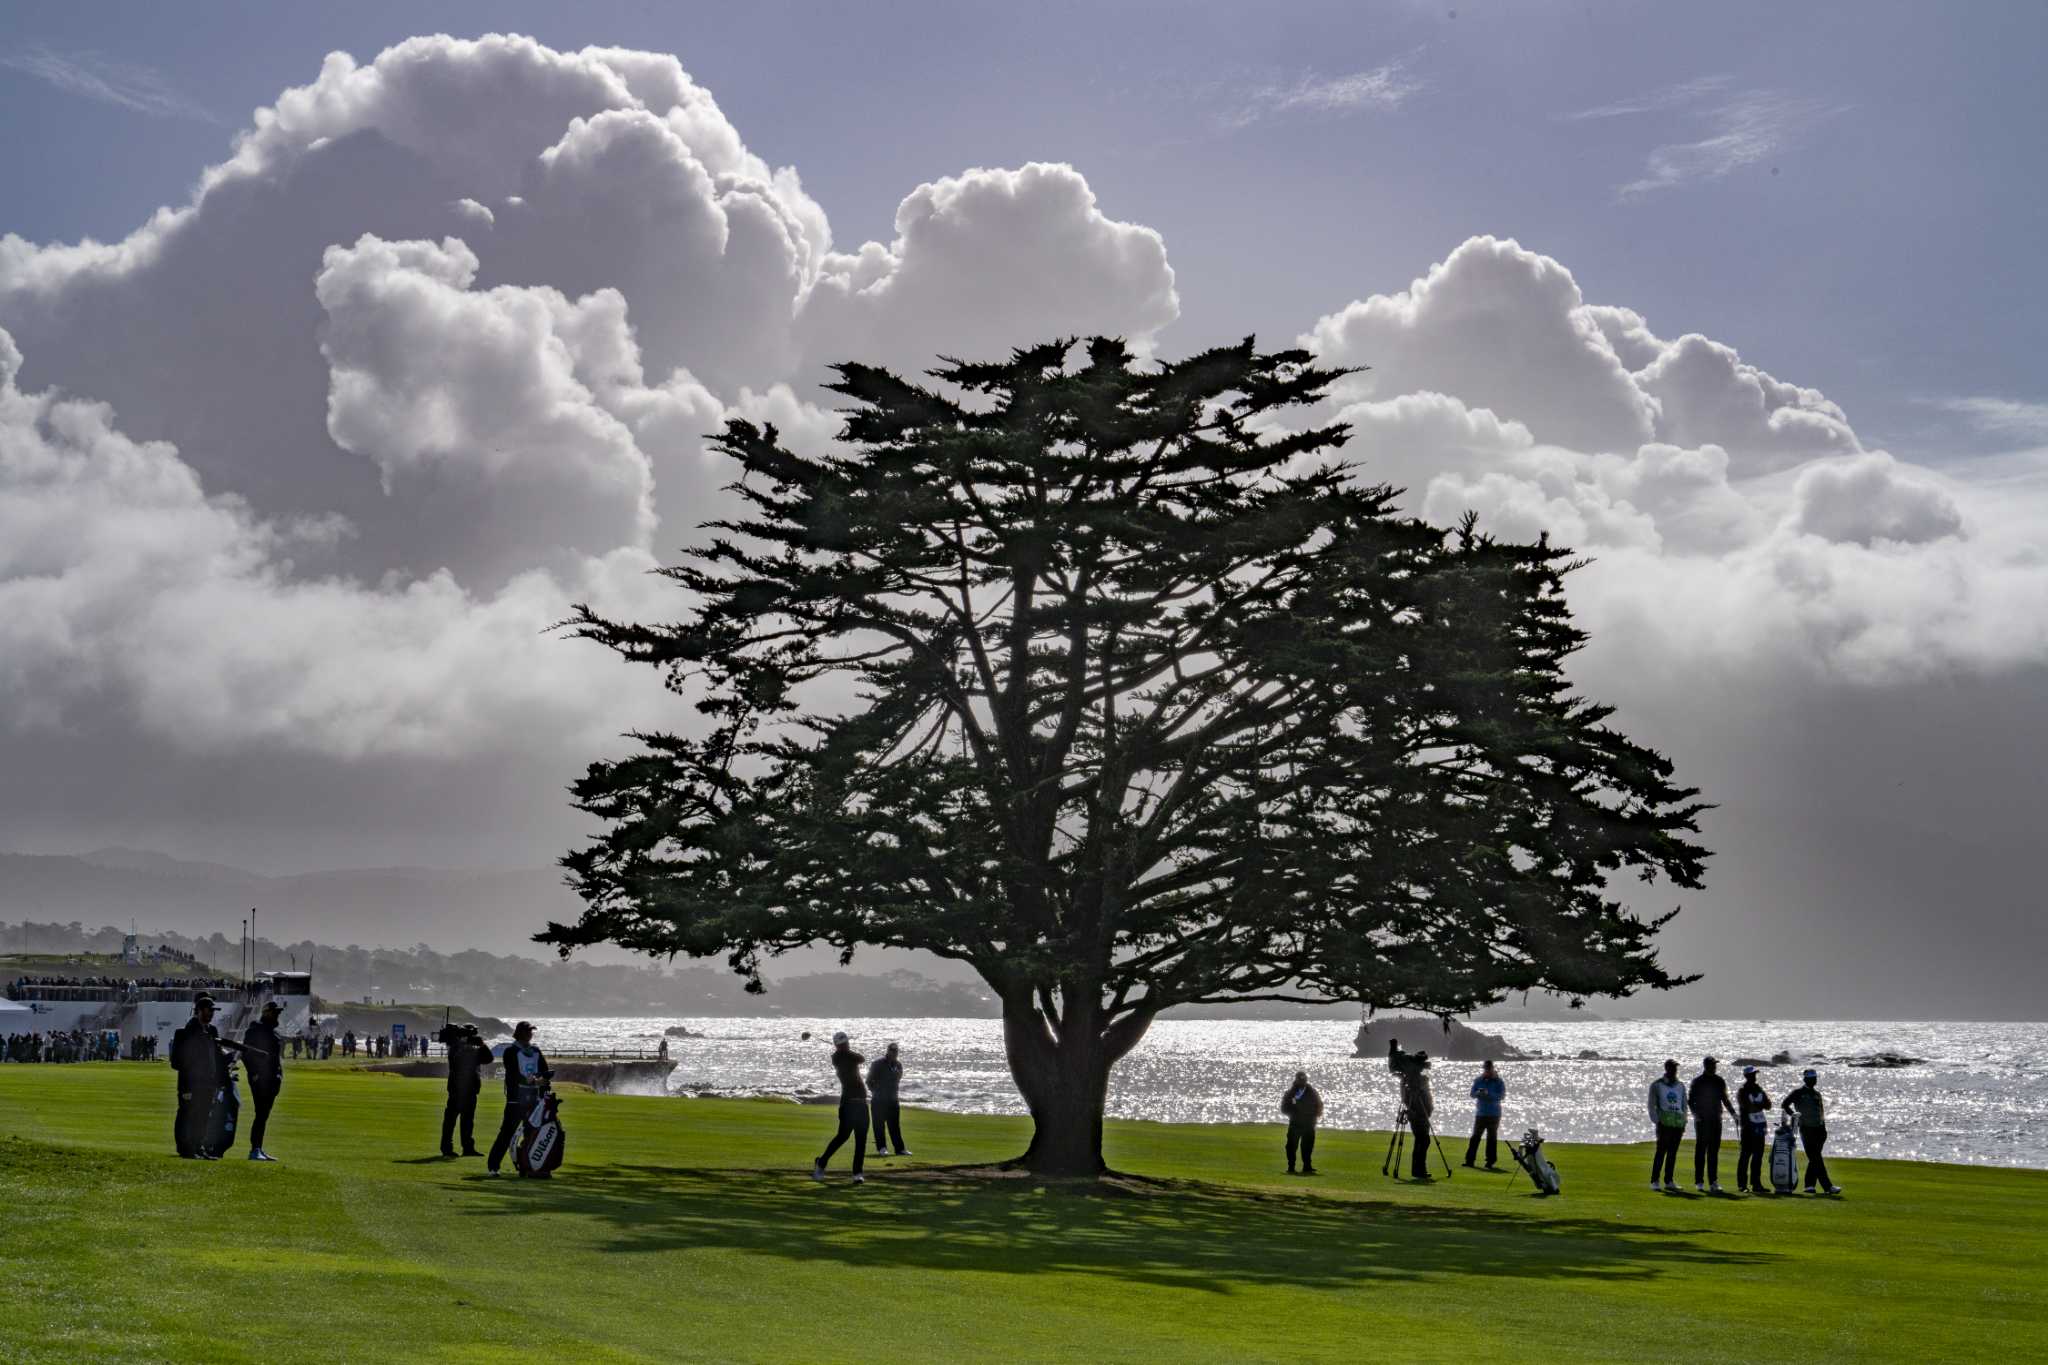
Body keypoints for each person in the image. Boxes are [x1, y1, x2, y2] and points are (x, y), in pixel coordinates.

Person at [486, 1022, 552, 1176]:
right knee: (507, 1134)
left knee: (532, 1134)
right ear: (519, 1033)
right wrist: (534, 1081)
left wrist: (544, 1081)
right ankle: (493, 1167)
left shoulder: (535, 1051)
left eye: (531, 1031)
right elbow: (514, 1074)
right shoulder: (511, 1051)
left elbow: (544, 1070)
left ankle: (527, 1167)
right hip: (516, 1100)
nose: (530, 1034)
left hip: (534, 1099)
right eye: (528, 1031)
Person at [810, 1031, 869, 1184]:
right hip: (848, 1104)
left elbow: (861, 1059)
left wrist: (844, 1049)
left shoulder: (846, 1055)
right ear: (838, 1045)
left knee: (861, 1140)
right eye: (843, 1044)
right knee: (842, 1137)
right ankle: (821, 1163)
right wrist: (843, 1050)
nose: (846, 1045)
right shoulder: (837, 1058)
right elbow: (859, 1058)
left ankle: (857, 1173)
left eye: (847, 1043)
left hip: (862, 1103)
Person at [169, 995, 222, 1159]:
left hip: (208, 1084)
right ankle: (185, 1148)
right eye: (208, 1010)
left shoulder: (212, 1032)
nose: (211, 1014)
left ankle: (198, 1146)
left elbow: (216, 1057)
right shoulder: (184, 1033)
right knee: (187, 1115)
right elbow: (177, 1062)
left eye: (213, 1011)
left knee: (203, 1116)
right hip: (190, 1084)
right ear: (198, 1011)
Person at [1782, 1068, 1843, 1195]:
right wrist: (1794, 1115)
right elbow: (1785, 1104)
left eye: (1814, 1078)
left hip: (1819, 1130)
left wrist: (1824, 1128)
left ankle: (1809, 1185)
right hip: (1806, 1129)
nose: (1813, 1080)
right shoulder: (1798, 1092)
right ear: (1805, 1079)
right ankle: (1828, 1187)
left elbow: (1821, 1112)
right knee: (1816, 1158)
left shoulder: (1817, 1094)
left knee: (1815, 1158)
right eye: (1810, 1078)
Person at [241, 999, 284, 1162]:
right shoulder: (255, 1031)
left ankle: (258, 1148)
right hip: (261, 1080)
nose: (277, 1016)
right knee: (261, 1114)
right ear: (267, 1013)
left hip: (272, 1080)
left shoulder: (273, 1033)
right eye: (275, 1013)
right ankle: (255, 1149)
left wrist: (279, 1076)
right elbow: (247, 1054)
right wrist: (254, 1074)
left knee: (263, 1115)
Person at [1688, 1055, 1737, 1192]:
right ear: (1706, 1066)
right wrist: (1696, 1115)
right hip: (1702, 1120)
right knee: (1701, 1150)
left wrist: (1733, 1114)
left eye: (1715, 1065)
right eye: (1712, 1065)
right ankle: (1699, 1181)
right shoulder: (1698, 1082)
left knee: (1714, 1152)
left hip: (1716, 1119)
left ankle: (1713, 1182)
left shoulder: (1719, 1081)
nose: (1715, 1067)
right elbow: (1691, 1101)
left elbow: (1725, 1099)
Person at [1389, 1040, 1436, 1179]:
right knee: (1423, 1140)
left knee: (1422, 1140)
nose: (1422, 1069)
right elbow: (1409, 1099)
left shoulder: (1414, 1080)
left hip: (1421, 1113)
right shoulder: (1410, 1082)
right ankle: (1418, 1170)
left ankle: (1418, 1169)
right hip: (1417, 1113)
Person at [442, 1025, 489, 1158]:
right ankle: (447, 1148)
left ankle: (467, 1148)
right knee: (451, 1120)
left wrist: (482, 1045)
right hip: (458, 1090)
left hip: (469, 1089)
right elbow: (458, 1061)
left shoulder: (467, 1048)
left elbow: (488, 1058)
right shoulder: (457, 1048)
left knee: (467, 1121)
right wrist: (473, 1046)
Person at [1648, 1059, 1687, 1190]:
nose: (1675, 1070)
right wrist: (1657, 1121)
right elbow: (1651, 1105)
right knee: (1661, 1152)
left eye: (1675, 1068)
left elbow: (1683, 1105)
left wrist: (1684, 1121)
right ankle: (1655, 1181)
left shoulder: (1680, 1085)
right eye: (1672, 1068)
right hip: (1664, 1123)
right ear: (1666, 1068)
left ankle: (1669, 1181)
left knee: (1672, 1153)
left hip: (1677, 1124)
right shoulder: (1657, 1085)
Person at [867, 1041, 911, 1157]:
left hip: (893, 1100)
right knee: (879, 1125)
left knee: (895, 1126)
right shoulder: (877, 1064)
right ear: (888, 1051)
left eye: (896, 1052)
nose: (894, 1054)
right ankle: (882, 1148)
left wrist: (896, 1075)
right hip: (879, 1100)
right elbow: (869, 1081)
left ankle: (899, 1149)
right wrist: (876, 1092)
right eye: (892, 1051)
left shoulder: (898, 1065)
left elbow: (898, 1079)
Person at [1735, 1066, 1773, 1193]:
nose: (1754, 1076)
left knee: (1758, 1156)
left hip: (1760, 1125)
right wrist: (1759, 1105)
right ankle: (1742, 1185)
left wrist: (1758, 1105)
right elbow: (1747, 1106)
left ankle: (1756, 1184)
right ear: (1746, 1076)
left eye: (1755, 1074)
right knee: (1745, 1155)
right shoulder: (1742, 1090)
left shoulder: (1759, 1089)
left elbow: (1768, 1105)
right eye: (1752, 1074)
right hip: (1747, 1126)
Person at [1465, 1060, 1506, 1169]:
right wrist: (1478, 1093)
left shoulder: (1499, 1082)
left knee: (1491, 1138)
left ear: (1492, 1068)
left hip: (1494, 1113)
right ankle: (1470, 1160)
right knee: (1475, 1137)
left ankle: (1490, 1161)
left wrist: (1489, 1094)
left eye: (1489, 1069)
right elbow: (1472, 1094)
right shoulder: (1478, 1080)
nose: (1487, 1071)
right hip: (1481, 1113)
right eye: (1485, 1069)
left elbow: (1501, 1096)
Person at [1281, 1070, 1322, 1174]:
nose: (1302, 1081)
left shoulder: (1312, 1092)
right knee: (1291, 1146)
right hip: (1295, 1124)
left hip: (1309, 1124)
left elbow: (1319, 1105)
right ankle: (1291, 1167)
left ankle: (1307, 1167)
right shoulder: (1290, 1093)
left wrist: (1315, 1115)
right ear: (1296, 1080)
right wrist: (1294, 1113)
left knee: (1308, 1147)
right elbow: (1284, 1108)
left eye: (1304, 1079)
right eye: (1300, 1079)